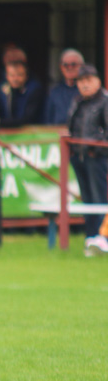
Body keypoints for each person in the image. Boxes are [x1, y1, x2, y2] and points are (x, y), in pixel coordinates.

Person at [66, 64, 108, 256]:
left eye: (88, 80)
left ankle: (102, 238)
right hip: (80, 157)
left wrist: (95, 147)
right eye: (81, 81)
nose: (85, 85)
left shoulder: (104, 101)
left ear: (98, 81)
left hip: (98, 157)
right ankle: (90, 236)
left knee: (99, 198)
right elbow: (72, 126)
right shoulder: (77, 102)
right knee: (87, 199)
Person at [0, 61, 45, 129]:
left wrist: (1, 122)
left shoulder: (34, 90)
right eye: (12, 75)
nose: (15, 79)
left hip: (30, 135)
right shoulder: (2, 88)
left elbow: (27, 119)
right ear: (6, 76)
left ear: (26, 76)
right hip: (4, 135)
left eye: (19, 75)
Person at [45, 49, 85, 125]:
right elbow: (48, 120)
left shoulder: (87, 90)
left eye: (73, 64)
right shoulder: (54, 92)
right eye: (65, 65)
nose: (69, 68)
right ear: (61, 67)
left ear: (82, 66)